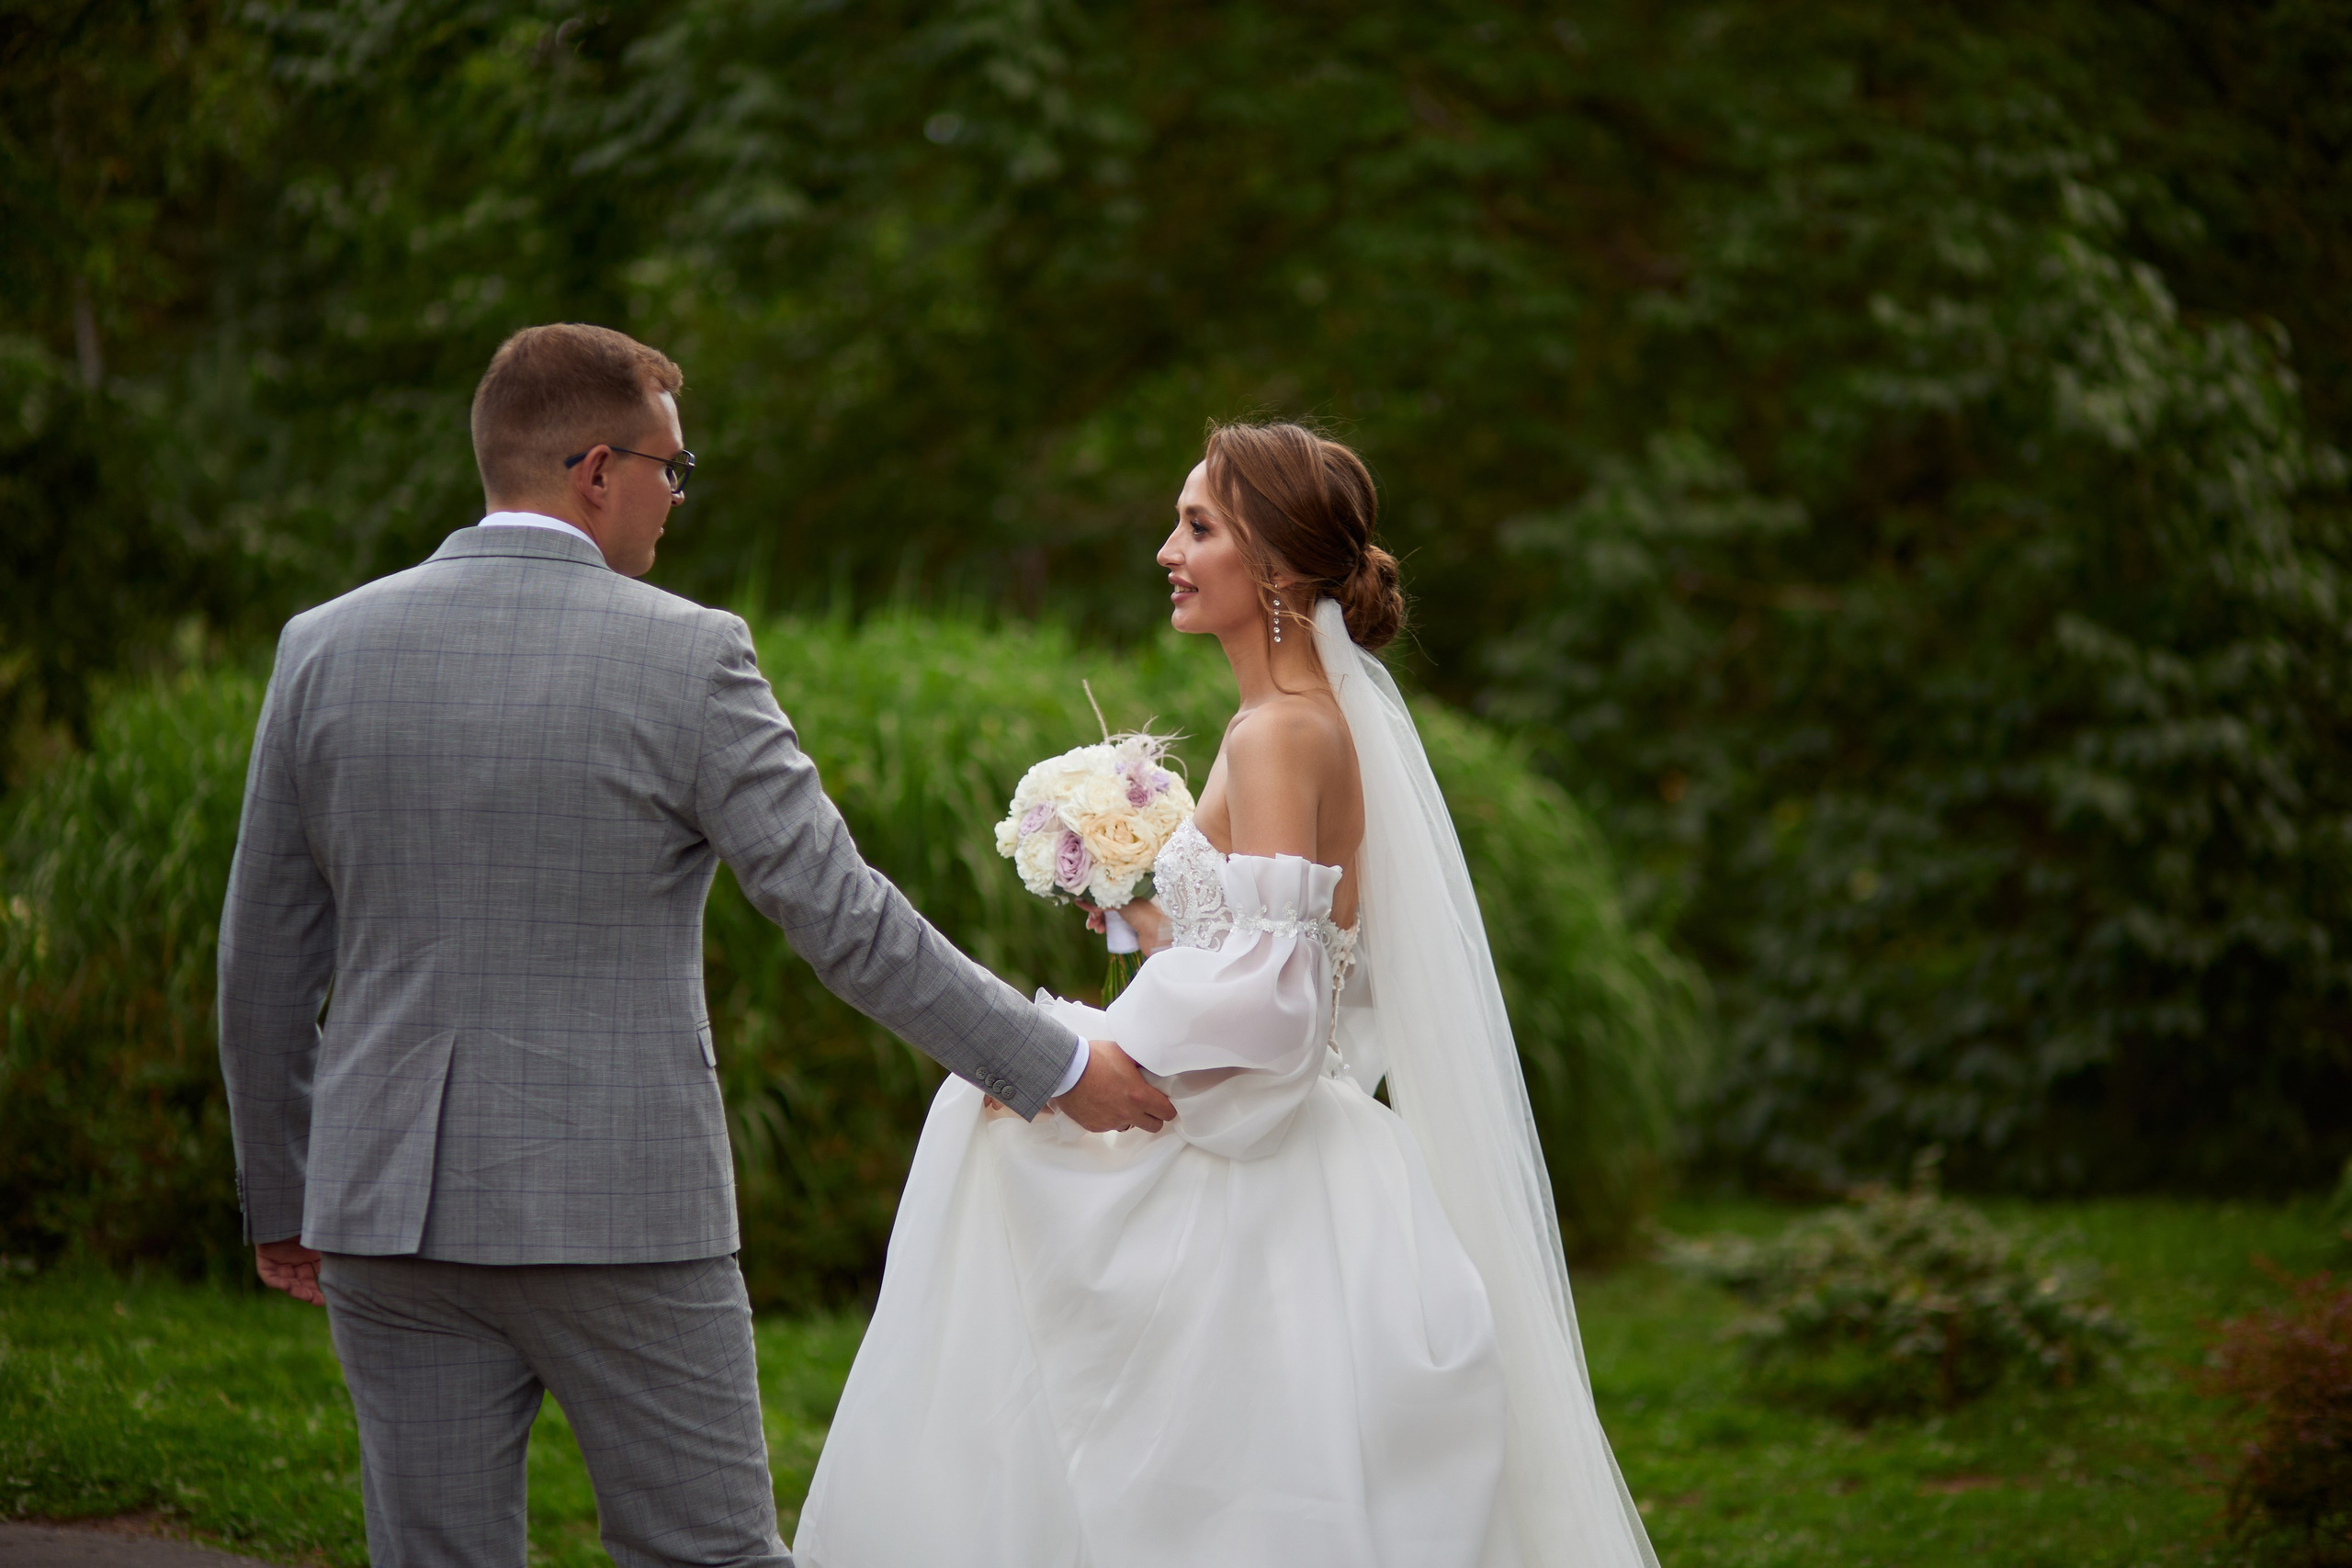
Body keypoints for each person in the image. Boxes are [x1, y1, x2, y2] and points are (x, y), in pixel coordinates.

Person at [214, 321, 1173, 1568]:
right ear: (595, 468)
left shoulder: (323, 647)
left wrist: (284, 1191)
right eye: (673, 465)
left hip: (383, 1208)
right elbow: (843, 913)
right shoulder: (689, 655)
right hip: (620, 1206)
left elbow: (263, 956)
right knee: (707, 1551)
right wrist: (1047, 1063)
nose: (678, 494)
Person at [794, 422, 1659, 1567]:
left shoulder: (1280, 736)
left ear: (1281, 569)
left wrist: (1089, 1057)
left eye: (1199, 526)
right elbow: (1283, 952)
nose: (1168, 548)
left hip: (1262, 1165)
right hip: (1288, 1134)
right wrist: (1139, 915)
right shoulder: (1292, 725)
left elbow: (1283, 1005)